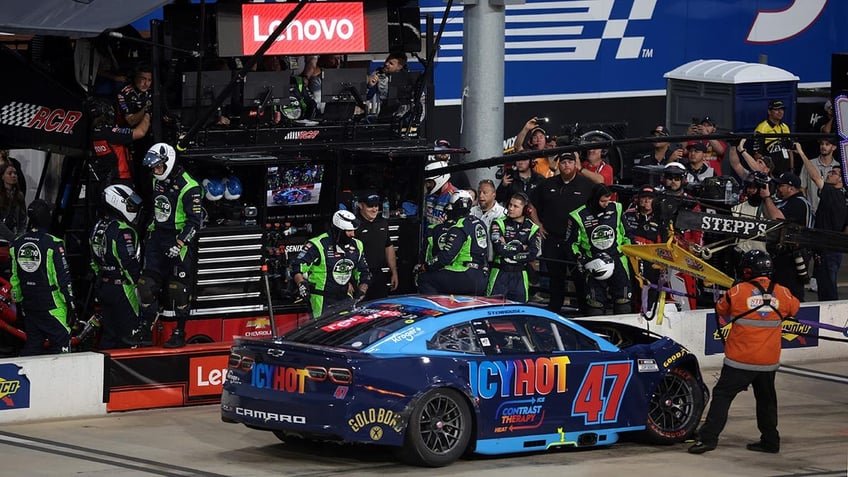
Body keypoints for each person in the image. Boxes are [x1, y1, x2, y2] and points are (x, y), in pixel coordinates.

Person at [688, 250, 800, 455]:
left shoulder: (738, 292)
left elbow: (721, 309)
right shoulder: (783, 292)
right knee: (766, 400)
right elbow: (794, 309)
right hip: (768, 362)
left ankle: (708, 439)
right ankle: (770, 441)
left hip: (739, 360)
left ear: (747, 270)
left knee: (722, 396)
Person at [131, 143, 202, 348]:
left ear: (169, 162)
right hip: (157, 237)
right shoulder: (156, 180)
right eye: (153, 168)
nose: (156, 171)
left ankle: (179, 332)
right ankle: (145, 328)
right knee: (145, 285)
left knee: (177, 288)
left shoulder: (190, 186)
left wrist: (180, 243)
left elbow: (195, 222)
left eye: (159, 167)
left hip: (178, 239)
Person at [528, 151, 595, 314]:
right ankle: (554, 312)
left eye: (570, 162)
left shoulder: (586, 184)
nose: (567, 165)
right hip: (552, 238)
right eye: (563, 162)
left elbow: (599, 200)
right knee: (555, 278)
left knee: (580, 278)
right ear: (559, 165)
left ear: (575, 164)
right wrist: (538, 225)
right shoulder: (547, 184)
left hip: (577, 241)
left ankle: (584, 313)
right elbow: (531, 204)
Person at [10, 199, 76, 355]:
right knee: (61, 343)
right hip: (52, 306)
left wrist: (19, 306)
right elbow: (64, 279)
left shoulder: (17, 243)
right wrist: (71, 306)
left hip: (29, 305)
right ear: (46, 217)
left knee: (33, 345)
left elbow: (15, 279)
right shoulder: (54, 244)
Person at [90, 184, 142, 349]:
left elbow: (93, 261)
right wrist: (138, 284)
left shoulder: (97, 226)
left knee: (109, 335)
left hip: (103, 285)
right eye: (129, 204)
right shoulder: (123, 230)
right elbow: (128, 263)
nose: (132, 208)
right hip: (123, 288)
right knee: (129, 335)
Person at [292, 210, 371, 318]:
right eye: (349, 231)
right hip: (322, 299)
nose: (353, 234)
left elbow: (363, 271)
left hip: (345, 298)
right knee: (322, 331)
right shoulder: (317, 244)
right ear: (338, 230)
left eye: (353, 230)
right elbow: (298, 267)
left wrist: (361, 290)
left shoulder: (357, 245)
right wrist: (301, 284)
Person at [795, 142, 847, 301]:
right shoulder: (843, 199)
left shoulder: (831, 192)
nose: (830, 174)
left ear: (841, 181)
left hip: (828, 249)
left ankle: (833, 318)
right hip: (833, 248)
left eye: (834, 173)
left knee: (828, 288)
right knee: (826, 285)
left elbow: (815, 176)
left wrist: (801, 153)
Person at [569, 183, 631, 315]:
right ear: (594, 198)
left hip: (618, 260)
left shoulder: (617, 208)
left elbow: (627, 234)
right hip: (593, 263)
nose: (606, 204)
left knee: (623, 300)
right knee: (595, 304)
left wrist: (632, 250)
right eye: (603, 201)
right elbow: (571, 243)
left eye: (608, 200)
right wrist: (579, 258)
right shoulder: (579, 215)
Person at [417, 190, 488, 295]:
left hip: (464, 274)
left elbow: (446, 257)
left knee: (424, 278)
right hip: (481, 276)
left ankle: (437, 310)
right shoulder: (480, 222)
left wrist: (426, 266)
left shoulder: (459, 226)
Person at [760, 171, 813, 301]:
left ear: (791, 188)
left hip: (793, 257)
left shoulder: (799, 203)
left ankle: (795, 318)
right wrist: (765, 199)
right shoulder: (787, 202)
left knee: (791, 293)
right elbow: (770, 217)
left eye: (781, 186)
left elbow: (777, 218)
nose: (778, 188)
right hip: (782, 256)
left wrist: (767, 198)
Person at [88, 96, 151, 187]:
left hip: (103, 180)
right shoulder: (110, 133)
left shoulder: (93, 133)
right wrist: (147, 112)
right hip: (120, 179)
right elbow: (140, 132)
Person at [487, 192, 540, 302]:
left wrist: (509, 250)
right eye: (510, 205)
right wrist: (521, 248)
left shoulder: (533, 228)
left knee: (519, 311)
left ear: (526, 210)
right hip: (499, 273)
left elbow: (532, 254)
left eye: (515, 206)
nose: (511, 208)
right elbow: (500, 249)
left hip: (520, 275)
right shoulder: (498, 223)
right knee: (492, 308)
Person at [355, 194, 398, 300]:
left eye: (376, 206)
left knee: (381, 306)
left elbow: (388, 246)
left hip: (379, 274)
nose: (374, 209)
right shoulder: (354, 225)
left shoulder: (382, 222)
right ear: (360, 205)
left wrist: (394, 271)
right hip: (359, 276)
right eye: (370, 206)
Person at [798, 136, 838, 213]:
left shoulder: (838, 167)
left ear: (834, 147)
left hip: (831, 212)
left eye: (827, 144)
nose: (823, 146)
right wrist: (807, 206)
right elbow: (802, 187)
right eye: (822, 144)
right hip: (812, 211)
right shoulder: (809, 164)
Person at [754, 99, 793, 174]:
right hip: (770, 172)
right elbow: (757, 154)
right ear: (769, 112)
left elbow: (789, 150)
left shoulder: (785, 127)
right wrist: (765, 171)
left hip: (785, 172)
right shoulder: (762, 128)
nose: (780, 112)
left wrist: (791, 169)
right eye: (776, 109)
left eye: (782, 109)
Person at [470, 179, 505, 261]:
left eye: (485, 193)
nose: (481, 196)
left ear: (494, 194)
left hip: (493, 262)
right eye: (479, 192)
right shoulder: (471, 212)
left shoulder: (502, 214)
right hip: (473, 261)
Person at [424, 160, 458, 226]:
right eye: (426, 182)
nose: (427, 185)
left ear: (440, 178)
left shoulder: (455, 196)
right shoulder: (427, 194)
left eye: (429, 182)